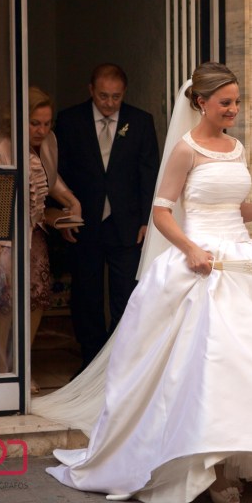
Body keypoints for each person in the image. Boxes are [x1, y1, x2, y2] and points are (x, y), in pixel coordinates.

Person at [37, 62, 252, 503]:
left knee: (251, 367)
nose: (233, 109)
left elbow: (239, 208)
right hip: (200, 265)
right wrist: (191, 249)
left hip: (243, 264)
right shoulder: (185, 150)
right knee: (205, 367)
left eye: (236, 101)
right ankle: (203, 470)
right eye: (225, 102)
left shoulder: (236, 148)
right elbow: (160, 213)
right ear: (201, 102)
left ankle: (237, 456)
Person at [55, 63, 160, 374]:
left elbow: (149, 173)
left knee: (125, 293)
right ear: (91, 90)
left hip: (126, 222)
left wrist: (146, 220)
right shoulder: (70, 120)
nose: (110, 103)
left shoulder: (140, 122)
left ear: (124, 93)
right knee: (86, 294)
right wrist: (64, 217)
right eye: (103, 96)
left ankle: (119, 362)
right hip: (83, 219)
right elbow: (59, 170)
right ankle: (90, 362)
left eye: (116, 97)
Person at [0, 86, 82, 394]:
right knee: (5, 301)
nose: (42, 130)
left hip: (32, 230)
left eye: (47, 123)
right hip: (0, 232)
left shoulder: (48, 141)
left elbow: (51, 179)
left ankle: (20, 366)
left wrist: (71, 202)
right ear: (18, 121)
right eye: (35, 123)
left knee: (37, 297)